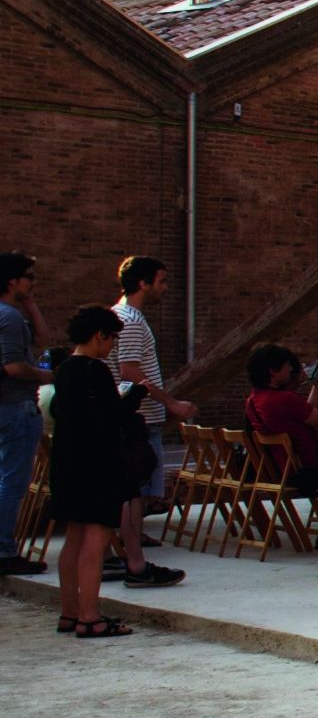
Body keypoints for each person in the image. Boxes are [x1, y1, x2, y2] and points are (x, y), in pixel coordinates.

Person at [49, 305, 139, 639]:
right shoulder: (95, 370)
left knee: (74, 536)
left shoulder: (64, 370)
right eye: (112, 338)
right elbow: (113, 415)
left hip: (67, 462)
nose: (113, 345)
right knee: (96, 538)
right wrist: (137, 395)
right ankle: (90, 615)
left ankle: (69, 612)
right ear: (100, 335)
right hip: (97, 463)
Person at [109, 254, 191, 589]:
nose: (166, 288)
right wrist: (170, 402)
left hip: (140, 418)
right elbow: (130, 372)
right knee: (135, 493)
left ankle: (127, 553)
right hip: (138, 419)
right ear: (143, 283)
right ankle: (134, 563)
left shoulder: (127, 317)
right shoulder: (129, 320)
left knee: (136, 493)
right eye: (161, 281)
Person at [0, 252, 54, 577]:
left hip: (9, 407)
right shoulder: (8, 317)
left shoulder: (12, 315)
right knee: (13, 482)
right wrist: (50, 376)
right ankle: (5, 550)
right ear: (12, 281)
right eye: (29, 277)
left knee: (8, 479)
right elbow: (14, 367)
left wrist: (30, 303)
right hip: (16, 407)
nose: (33, 282)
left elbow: (42, 338)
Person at [244, 343, 318, 499]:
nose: (290, 370)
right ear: (273, 371)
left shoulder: (254, 400)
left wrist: (317, 385)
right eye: (287, 366)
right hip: (312, 470)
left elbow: (306, 415)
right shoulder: (283, 399)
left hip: (284, 469)